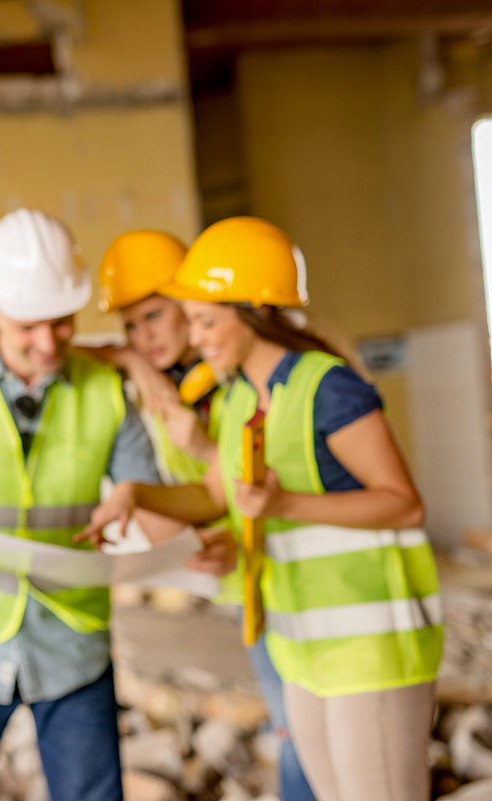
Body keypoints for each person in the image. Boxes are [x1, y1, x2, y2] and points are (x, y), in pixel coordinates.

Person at [85, 216, 442, 801]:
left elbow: (404, 506)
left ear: (250, 311)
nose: (194, 338)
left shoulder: (327, 386)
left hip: (371, 645)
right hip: (303, 643)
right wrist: (134, 495)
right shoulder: (242, 398)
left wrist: (283, 503)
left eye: (204, 320)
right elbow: (216, 496)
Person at [0, 209, 232, 801]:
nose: (49, 343)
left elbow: (146, 502)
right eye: (30, 327)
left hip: (72, 642)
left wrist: (184, 549)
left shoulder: (104, 390)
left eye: (62, 323)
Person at [93, 229, 318, 801]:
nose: (144, 337)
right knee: (295, 720)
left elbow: (253, 484)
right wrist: (132, 363)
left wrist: (202, 456)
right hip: (246, 573)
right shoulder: (177, 383)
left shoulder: (237, 379)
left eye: (155, 318)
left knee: (301, 726)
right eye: (130, 327)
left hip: (287, 570)